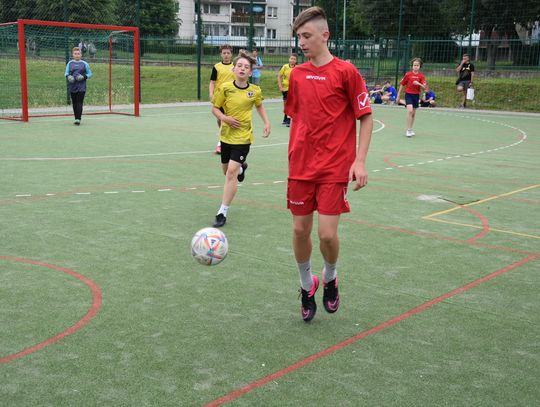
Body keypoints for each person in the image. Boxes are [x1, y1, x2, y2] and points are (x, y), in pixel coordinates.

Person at [285, 6, 373, 322]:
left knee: (326, 235)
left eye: (307, 36)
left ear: (325, 35)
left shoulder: (347, 72)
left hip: (334, 167)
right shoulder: (296, 74)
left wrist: (359, 161)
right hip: (300, 166)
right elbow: (298, 119)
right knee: (299, 230)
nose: (302, 43)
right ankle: (306, 285)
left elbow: (366, 117)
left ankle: (330, 276)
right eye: (299, 37)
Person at [211, 51, 271, 228]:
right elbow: (215, 108)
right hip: (226, 136)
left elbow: (259, 106)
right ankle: (241, 169)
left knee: (231, 173)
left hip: (244, 138)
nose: (242, 69)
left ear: (250, 72)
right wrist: (225, 118)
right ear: (234, 69)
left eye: (246, 67)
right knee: (226, 171)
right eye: (239, 66)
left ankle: (222, 212)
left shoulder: (255, 91)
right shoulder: (225, 88)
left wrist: (266, 122)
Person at [209, 44, 235, 154]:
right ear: (221, 54)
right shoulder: (217, 67)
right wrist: (211, 93)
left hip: (230, 98)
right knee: (220, 119)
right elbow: (212, 82)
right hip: (219, 97)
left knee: (225, 120)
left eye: (228, 53)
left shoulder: (235, 67)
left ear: (231, 54)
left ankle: (220, 143)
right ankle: (223, 137)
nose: (226, 55)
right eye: (224, 53)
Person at [396, 57, 426, 137]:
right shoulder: (408, 74)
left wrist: (418, 84)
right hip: (408, 94)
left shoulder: (421, 76)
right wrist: (398, 96)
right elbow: (402, 84)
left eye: (417, 65)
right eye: (414, 65)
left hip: (416, 95)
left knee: (413, 113)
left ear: (420, 66)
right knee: (410, 111)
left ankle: (411, 128)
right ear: (412, 66)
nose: (416, 67)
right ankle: (408, 130)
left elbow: (424, 87)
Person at [64, 46, 92, 125]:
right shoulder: (70, 63)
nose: (77, 55)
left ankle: (78, 119)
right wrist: (69, 77)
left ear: (81, 55)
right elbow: (66, 73)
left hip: (81, 86)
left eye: (78, 53)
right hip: (72, 86)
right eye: (75, 54)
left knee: (79, 102)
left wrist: (83, 77)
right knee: (74, 102)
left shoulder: (85, 64)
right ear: (73, 54)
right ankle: (76, 117)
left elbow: (90, 74)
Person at [277, 53, 298, 127]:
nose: (292, 60)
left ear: (296, 61)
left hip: (294, 89)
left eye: (294, 59)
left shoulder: (297, 68)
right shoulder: (285, 67)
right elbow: (279, 76)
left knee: (291, 103)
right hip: (285, 88)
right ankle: (285, 119)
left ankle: (289, 119)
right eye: (291, 58)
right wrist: (280, 86)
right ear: (289, 59)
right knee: (286, 104)